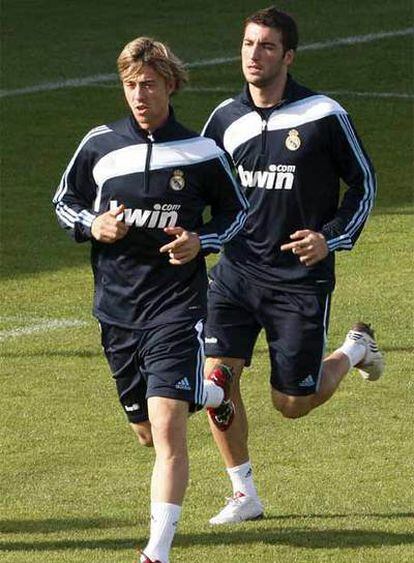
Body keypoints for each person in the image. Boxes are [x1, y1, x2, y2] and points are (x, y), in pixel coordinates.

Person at [53, 36, 248, 563]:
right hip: (116, 308)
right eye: (130, 85)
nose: (139, 95)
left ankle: (156, 552)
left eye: (149, 85)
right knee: (144, 430)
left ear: (170, 85)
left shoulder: (202, 153)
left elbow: (238, 214)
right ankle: (210, 394)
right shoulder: (99, 145)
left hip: (176, 306)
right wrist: (94, 223)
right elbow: (63, 201)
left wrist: (200, 241)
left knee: (167, 431)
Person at [201, 6, 385, 525]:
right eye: (247, 44)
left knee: (291, 403)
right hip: (235, 274)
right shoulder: (224, 119)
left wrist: (331, 239)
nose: (253, 55)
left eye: (265, 46)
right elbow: (205, 189)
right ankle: (244, 494)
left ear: (288, 56)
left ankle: (353, 350)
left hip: (299, 282)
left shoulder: (323, 115)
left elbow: (364, 184)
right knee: (217, 378)